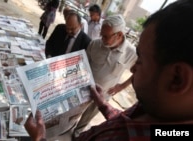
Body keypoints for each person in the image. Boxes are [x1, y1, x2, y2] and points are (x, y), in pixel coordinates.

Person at [25, 0, 193, 140]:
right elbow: (123, 120)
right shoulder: (149, 107)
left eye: (140, 60)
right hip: (90, 91)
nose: (133, 68)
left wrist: (39, 138)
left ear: (177, 79)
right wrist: (103, 104)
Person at [73, 14, 137, 136]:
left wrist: (121, 86)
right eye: (101, 34)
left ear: (119, 35)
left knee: (86, 119)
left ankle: (77, 133)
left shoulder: (131, 53)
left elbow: (138, 72)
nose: (102, 38)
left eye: (106, 36)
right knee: (72, 114)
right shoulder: (95, 44)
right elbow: (83, 63)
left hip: (103, 95)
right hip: (83, 89)